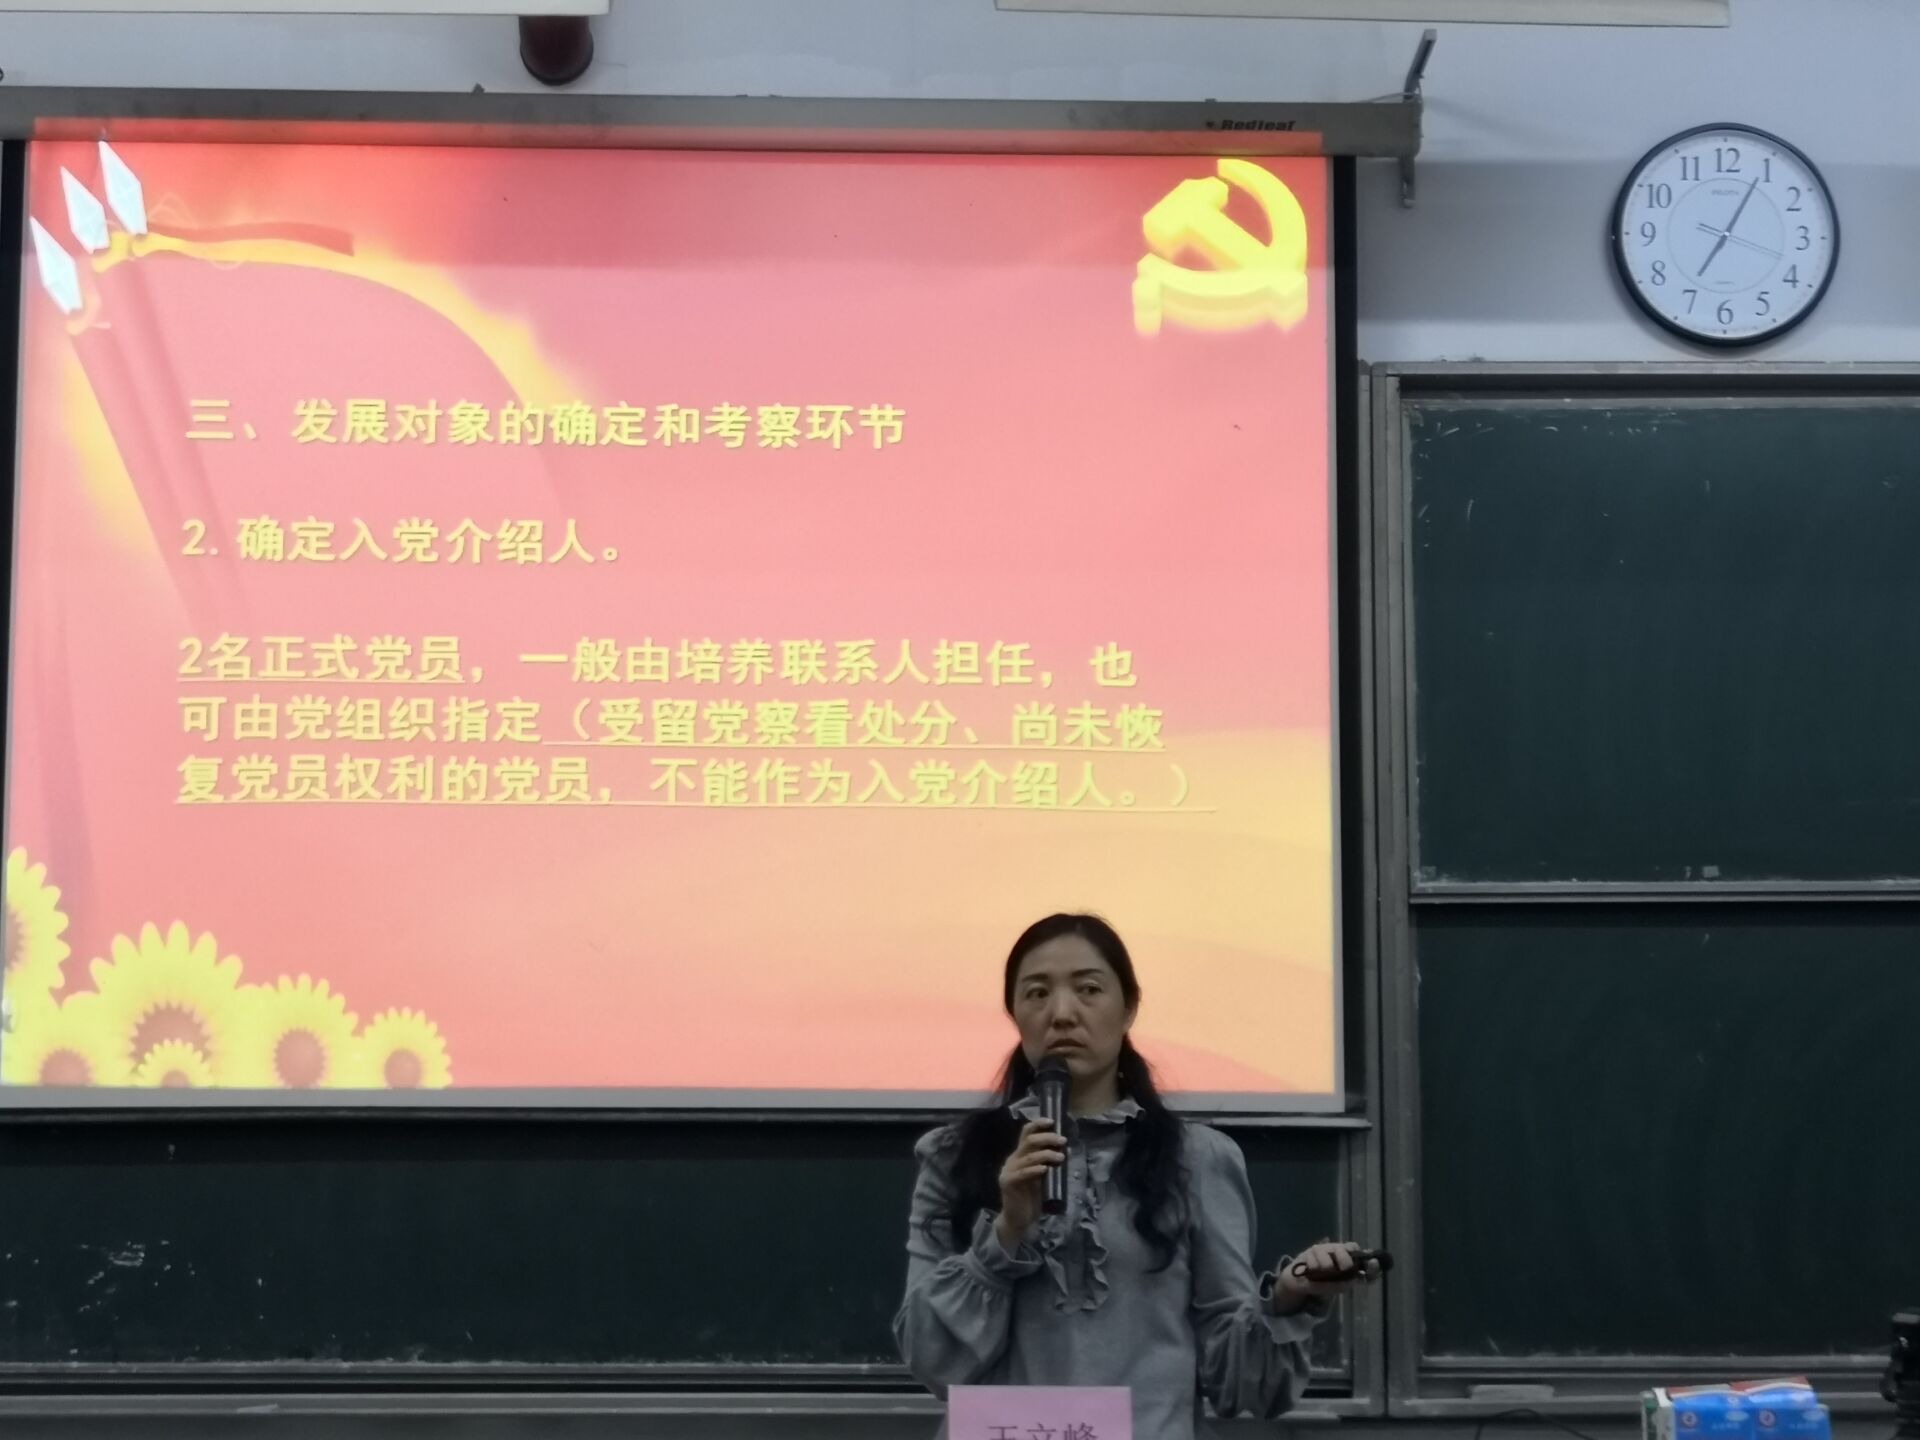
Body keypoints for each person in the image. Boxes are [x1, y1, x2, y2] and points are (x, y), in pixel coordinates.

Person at [894, 913, 1377, 1440]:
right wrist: (1006, 1232)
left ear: (1129, 1008)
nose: (1062, 1014)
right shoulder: (952, 1157)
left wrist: (1287, 1301)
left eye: (1088, 989)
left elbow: (1240, 1388)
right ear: (1014, 1013)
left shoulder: (1198, 1159)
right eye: (1037, 993)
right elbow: (931, 1361)